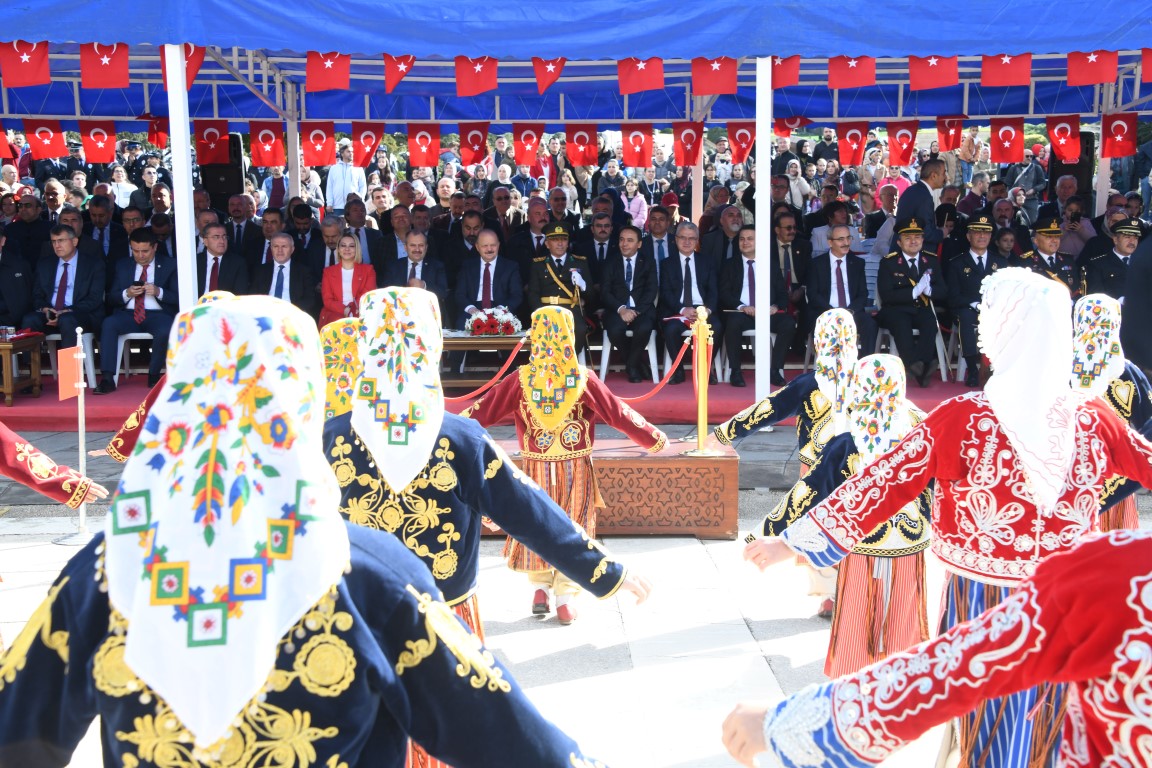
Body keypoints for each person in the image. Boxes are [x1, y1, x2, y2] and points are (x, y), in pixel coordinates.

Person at [2, 294, 613, 768]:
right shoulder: (369, 575)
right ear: (303, 395)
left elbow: (18, 730)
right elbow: (505, 736)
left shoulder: (104, 572)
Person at [741, 267, 1152, 768]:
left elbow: (883, 482)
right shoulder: (1094, 420)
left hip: (983, 603)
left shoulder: (966, 418)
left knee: (985, 718)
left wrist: (792, 543)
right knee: (1059, 725)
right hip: (1074, 601)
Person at [727, 532, 1152, 768]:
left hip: (985, 603)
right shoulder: (1119, 567)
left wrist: (787, 723)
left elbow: (959, 665)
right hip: (1000, 603)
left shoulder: (1119, 573)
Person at [463, 305, 665, 624]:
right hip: (575, 468)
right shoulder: (582, 379)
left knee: (535, 521)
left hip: (533, 469)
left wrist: (445, 432)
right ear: (569, 336)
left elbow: (481, 412)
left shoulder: (521, 379)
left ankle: (541, 589)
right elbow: (617, 413)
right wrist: (653, 437)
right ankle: (565, 598)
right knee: (574, 526)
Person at [744, 354, 930, 677]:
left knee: (855, 634)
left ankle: (855, 696)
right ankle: (902, 691)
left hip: (858, 549)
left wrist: (772, 534)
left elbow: (810, 492)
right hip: (908, 551)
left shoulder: (848, 443)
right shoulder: (922, 436)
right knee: (904, 631)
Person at [714, 308, 858, 617]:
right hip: (858, 469)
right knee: (851, 525)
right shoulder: (867, 381)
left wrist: (724, 433)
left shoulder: (809, 384)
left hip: (815, 470)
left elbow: (768, 409)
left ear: (819, 342)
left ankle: (830, 593)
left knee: (814, 526)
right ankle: (853, 588)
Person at [1071, 293, 1152, 531]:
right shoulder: (1128, 372)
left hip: (1069, 481)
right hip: (1118, 476)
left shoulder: (1057, 366)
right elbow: (1148, 422)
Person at [93, 228, 178, 394]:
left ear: (154, 247)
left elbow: (179, 298)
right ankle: (108, 378)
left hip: (158, 314)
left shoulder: (170, 265)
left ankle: (154, 375)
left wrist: (159, 291)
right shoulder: (123, 265)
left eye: (145, 251)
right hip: (128, 314)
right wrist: (127, 293)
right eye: (135, 251)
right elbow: (111, 298)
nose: (140, 255)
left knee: (165, 330)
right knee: (109, 324)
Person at [876, 217, 948, 388]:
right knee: (902, 323)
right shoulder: (889, 262)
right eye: (907, 238)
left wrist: (930, 291)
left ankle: (918, 365)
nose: (913, 241)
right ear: (899, 243)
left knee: (930, 321)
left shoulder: (930, 260)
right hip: (895, 310)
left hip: (921, 308)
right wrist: (913, 292)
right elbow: (886, 295)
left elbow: (944, 290)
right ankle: (919, 366)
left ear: (923, 240)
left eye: (917, 237)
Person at [720, 224, 794, 387]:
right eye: (742, 239)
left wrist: (775, 306)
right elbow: (724, 293)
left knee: (788, 323)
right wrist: (741, 306)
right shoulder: (730, 264)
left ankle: (775, 370)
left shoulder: (770, 264)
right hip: (742, 313)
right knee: (732, 322)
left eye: (750, 239)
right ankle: (735, 371)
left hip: (768, 314)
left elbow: (782, 294)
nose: (745, 242)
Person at [948, 214, 1007, 386]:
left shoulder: (1001, 263)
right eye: (977, 232)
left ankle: (1001, 369)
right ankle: (973, 370)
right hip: (967, 309)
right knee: (966, 318)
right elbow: (953, 296)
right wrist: (974, 304)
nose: (982, 236)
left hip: (995, 311)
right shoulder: (956, 263)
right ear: (968, 236)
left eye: (986, 233)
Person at [660, 221, 721, 384]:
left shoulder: (707, 262)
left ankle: (705, 369)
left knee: (717, 327)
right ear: (676, 239)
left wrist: (706, 311)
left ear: (697, 241)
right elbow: (665, 293)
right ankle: (678, 371)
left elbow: (714, 291)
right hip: (678, 310)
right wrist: (682, 309)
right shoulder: (667, 264)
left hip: (703, 310)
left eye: (692, 238)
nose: (687, 242)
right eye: (683, 238)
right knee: (671, 330)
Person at [23, 223, 106, 342]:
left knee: (67, 320)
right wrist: (46, 309)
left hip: (80, 314)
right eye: (53, 241)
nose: (57, 245)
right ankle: (30, 361)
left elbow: (94, 298)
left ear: (74, 241)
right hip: (51, 313)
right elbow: (37, 295)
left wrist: (67, 311)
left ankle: (69, 361)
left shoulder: (93, 264)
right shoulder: (45, 264)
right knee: (30, 320)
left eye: (61, 240)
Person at [806, 223, 877, 354]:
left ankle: (865, 366)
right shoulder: (816, 264)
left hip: (851, 313)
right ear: (830, 242)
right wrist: (832, 313)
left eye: (848, 238)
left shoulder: (857, 263)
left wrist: (849, 312)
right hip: (825, 313)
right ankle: (828, 369)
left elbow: (863, 294)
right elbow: (813, 294)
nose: (846, 243)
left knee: (870, 324)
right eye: (841, 239)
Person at [527, 222, 591, 354]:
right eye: (555, 240)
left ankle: (571, 364)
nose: (560, 243)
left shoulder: (580, 262)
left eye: (563, 239)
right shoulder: (538, 264)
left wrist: (583, 286)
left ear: (568, 243)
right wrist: (539, 313)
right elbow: (533, 293)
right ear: (547, 243)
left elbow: (592, 295)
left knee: (579, 328)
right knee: (545, 331)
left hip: (571, 310)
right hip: (546, 309)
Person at [455, 229, 523, 328]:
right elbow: (459, 294)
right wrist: (471, 309)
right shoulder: (468, 266)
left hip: (501, 309)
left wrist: (501, 309)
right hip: (473, 309)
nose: (489, 249)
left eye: (493, 245)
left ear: (498, 245)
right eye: (485, 246)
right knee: (461, 325)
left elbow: (517, 295)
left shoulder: (510, 266)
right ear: (477, 247)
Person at [1009, 215, 1079, 297]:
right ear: (1036, 241)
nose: (1054, 241)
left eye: (1057, 237)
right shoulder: (1024, 262)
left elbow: (1076, 290)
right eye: (1049, 237)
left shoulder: (1068, 260)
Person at [319, 232, 377, 327]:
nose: (347, 249)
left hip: (360, 313)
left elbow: (367, 296)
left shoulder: (368, 270)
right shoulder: (328, 272)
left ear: (357, 249)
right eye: (343, 245)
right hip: (334, 315)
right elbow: (327, 300)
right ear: (338, 249)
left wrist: (352, 310)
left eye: (351, 246)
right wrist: (345, 310)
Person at [1084, 216, 1141, 300]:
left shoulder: (1143, 264)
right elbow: (1095, 297)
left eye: (1135, 238)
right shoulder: (1098, 264)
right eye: (1127, 237)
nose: (1132, 242)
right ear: (1115, 240)